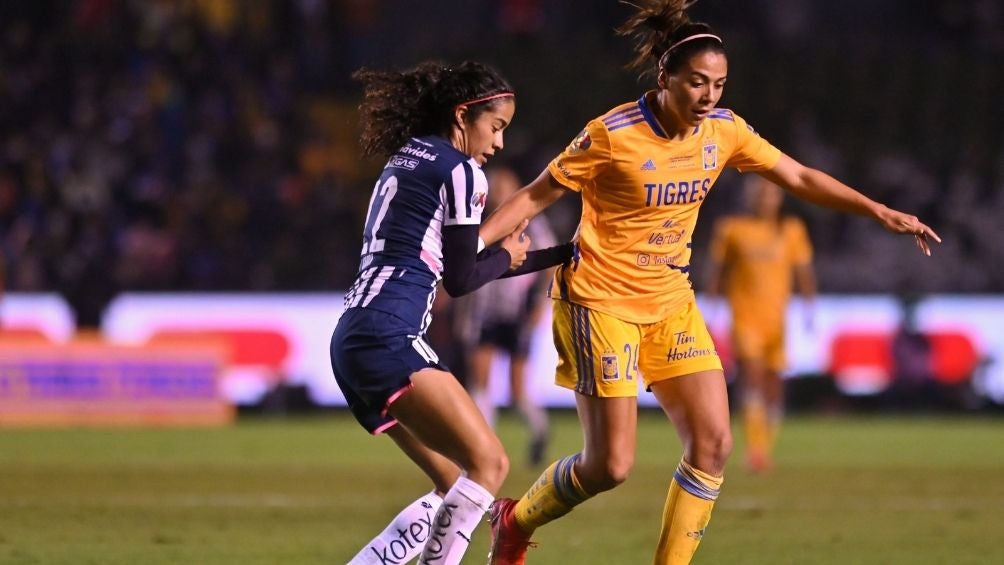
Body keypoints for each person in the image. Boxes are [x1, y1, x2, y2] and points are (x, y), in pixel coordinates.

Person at [477, 1, 940, 563]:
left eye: (718, 85)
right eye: (697, 83)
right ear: (665, 78)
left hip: (670, 299)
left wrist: (880, 211)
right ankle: (515, 520)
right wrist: (471, 247)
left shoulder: (725, 131)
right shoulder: (611, 134)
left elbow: (796, 174)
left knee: (714, 444)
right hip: (600, 301)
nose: (709, 96)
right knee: (610, 466)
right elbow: (533, 195)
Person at [330, 60, 571, 565]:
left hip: (353, 334)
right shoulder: (463, 171)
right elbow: (461, 280)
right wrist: (507, 254)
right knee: (489, 464)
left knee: (451, 483)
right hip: (391, 335)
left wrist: (551, 255)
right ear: (464, 115)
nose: (499, 143)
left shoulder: (407, 158)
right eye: (496, 127)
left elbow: (455, 262)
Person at [705, 176, 816, 473]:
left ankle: (765, 445)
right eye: (761, 194)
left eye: (772, 194)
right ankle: (756, 449)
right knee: (751, 376)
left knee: (774, 386)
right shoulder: (732, 229)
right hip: (745, 319)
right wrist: (710, 306)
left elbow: (803, 271)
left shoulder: (791, 230)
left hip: (777, 320)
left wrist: (809, 306)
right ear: (750, 198)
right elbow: (717, 269)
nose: (766, 199)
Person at [464, 167, 557, 468]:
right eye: (494, 187)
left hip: (517, 314)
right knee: (480, 381)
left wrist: (540, 306)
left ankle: (540, 430)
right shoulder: (481, 224)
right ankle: (484, 447)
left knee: (518, 391)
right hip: (485, 312)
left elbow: (551, 263)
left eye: (504, 186)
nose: (498, 192)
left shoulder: (533, 223)